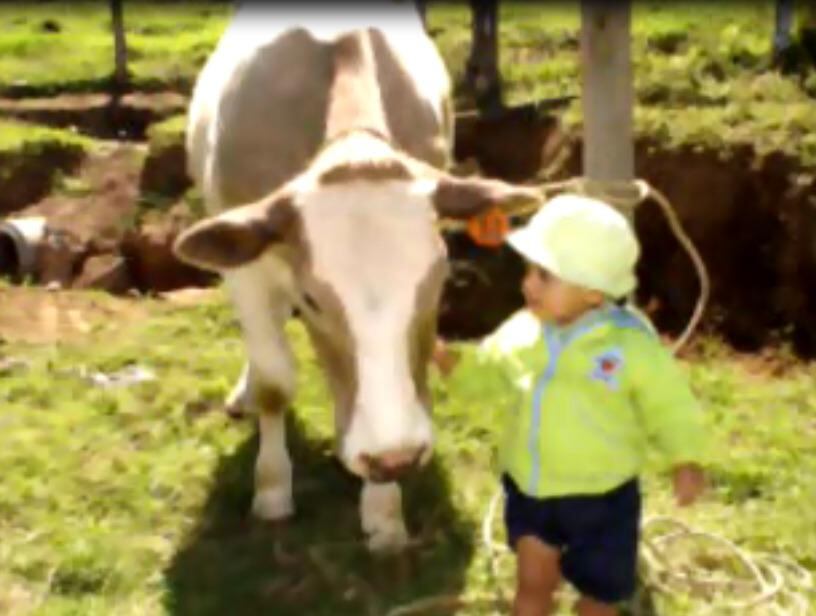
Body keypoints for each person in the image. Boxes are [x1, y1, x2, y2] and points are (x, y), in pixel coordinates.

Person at [433, 194, 707, 616]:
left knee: (599, 599)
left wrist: (685, 459)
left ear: (594, 293)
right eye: (529, 271)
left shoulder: (628, 347)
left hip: (602, 500)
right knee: (532, 586)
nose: (528, 284)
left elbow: (669, 405)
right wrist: (447, 360)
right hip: (531, 490)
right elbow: (486, 374)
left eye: (545, 275)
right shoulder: (523, 331)